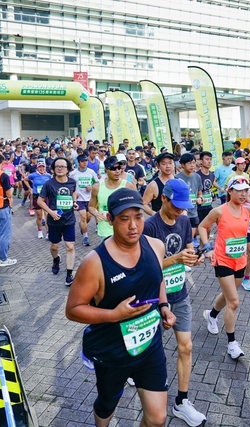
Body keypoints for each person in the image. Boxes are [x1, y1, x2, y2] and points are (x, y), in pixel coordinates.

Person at [65, 188, 176, 427]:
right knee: (107, 406)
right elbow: (73, 309)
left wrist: (164, 305)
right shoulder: (94, 262)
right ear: (110, 219)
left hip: (149, 344)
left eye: (138, 217)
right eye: (124, 219)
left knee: (158, 418)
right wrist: (114, 314)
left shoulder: (156, 246)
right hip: (111, 351)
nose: (133, 226)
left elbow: (157, 278)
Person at [141, 179, 207, 426]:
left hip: (179, 294)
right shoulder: (149, 226)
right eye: (176, 205)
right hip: (153, 299)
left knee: (186, 347)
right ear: (164, 199)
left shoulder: (184, 221)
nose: (180, 211)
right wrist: (175, 259)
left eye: (184, 206)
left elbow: (187, 248)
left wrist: (193, 258)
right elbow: (145, 267)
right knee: (150, 352)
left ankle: (182, 401)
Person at [200, 175, 250, 359]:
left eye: (246, 190)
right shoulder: (219, 211)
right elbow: (202, 226)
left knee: (227, 295)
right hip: (222, 260)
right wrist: (208, 247)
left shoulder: (248, 209)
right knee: (234, 302)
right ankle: (232, 344)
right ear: (229, 191)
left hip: (240, 260)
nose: (243, 194)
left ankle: (211, 315)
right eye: (239, 190)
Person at [38, 157, 78, 285]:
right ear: (53, 169)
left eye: (63, 166)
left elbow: (74, 192)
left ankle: (69, 274)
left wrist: (74, 202)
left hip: (69, 220)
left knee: (70, 247)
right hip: (54, 221)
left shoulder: (72, 182)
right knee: (54, 246)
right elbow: (40, 201)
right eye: (57, 166)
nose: (60, 169)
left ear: (68, 169)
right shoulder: (49, 184)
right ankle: (56, 259)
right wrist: (51, 212)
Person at [89, 156, 137, 241]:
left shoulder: (128, 186)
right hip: (105, 230)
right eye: (113, 169)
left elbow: (137, 205)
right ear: (106, 170)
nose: (117, 171)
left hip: (125, 229)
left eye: (119, 168)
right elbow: (91, 207)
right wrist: (96, 214)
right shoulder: (97, 188)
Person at [70, 154, 99, 246]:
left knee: (88, 217)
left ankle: (82, 226)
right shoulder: (73, 174)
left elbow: (97, 183)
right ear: (78, 162)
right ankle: (85, 237)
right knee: (83, 216)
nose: (85, 163)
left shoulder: (91, 172)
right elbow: (69, 185)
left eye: (86, 161)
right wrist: (74, 193)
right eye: (82, 161)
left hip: (90, 199)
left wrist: (92, 187)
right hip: (79, 199)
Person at [175, 153, 203, 237]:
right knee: (182, 236)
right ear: (182, 165)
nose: (192, 165)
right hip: (181, 213)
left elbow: (199, 192)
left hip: (193, 212)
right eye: (189, 163)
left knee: (191, 237)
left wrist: (200, 198)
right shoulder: (176, 178)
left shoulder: (197, 177)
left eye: (193, 162)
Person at [25, 159, 51, 239]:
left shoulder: (49, 176)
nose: (41, 168)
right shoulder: (33, 175)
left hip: (46, 197)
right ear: (37, 167)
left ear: (45, 167)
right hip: (37, 197)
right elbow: (25, 180)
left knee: (47, 215)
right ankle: (40, 231)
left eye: (43, 167)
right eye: (40, 167)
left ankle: (48, 232)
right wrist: (30, 189)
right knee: (39, 216)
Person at [195, 151, 216, 233]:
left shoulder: (212, 175)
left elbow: (209, 188)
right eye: (207, 159)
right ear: (201, 161)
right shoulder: (196, 175)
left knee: (208, 229)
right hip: (198, 207)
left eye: (210, 159)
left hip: (208, 205)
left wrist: (213, 195)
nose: (209, 161)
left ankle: (204, 241)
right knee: (198, 230)